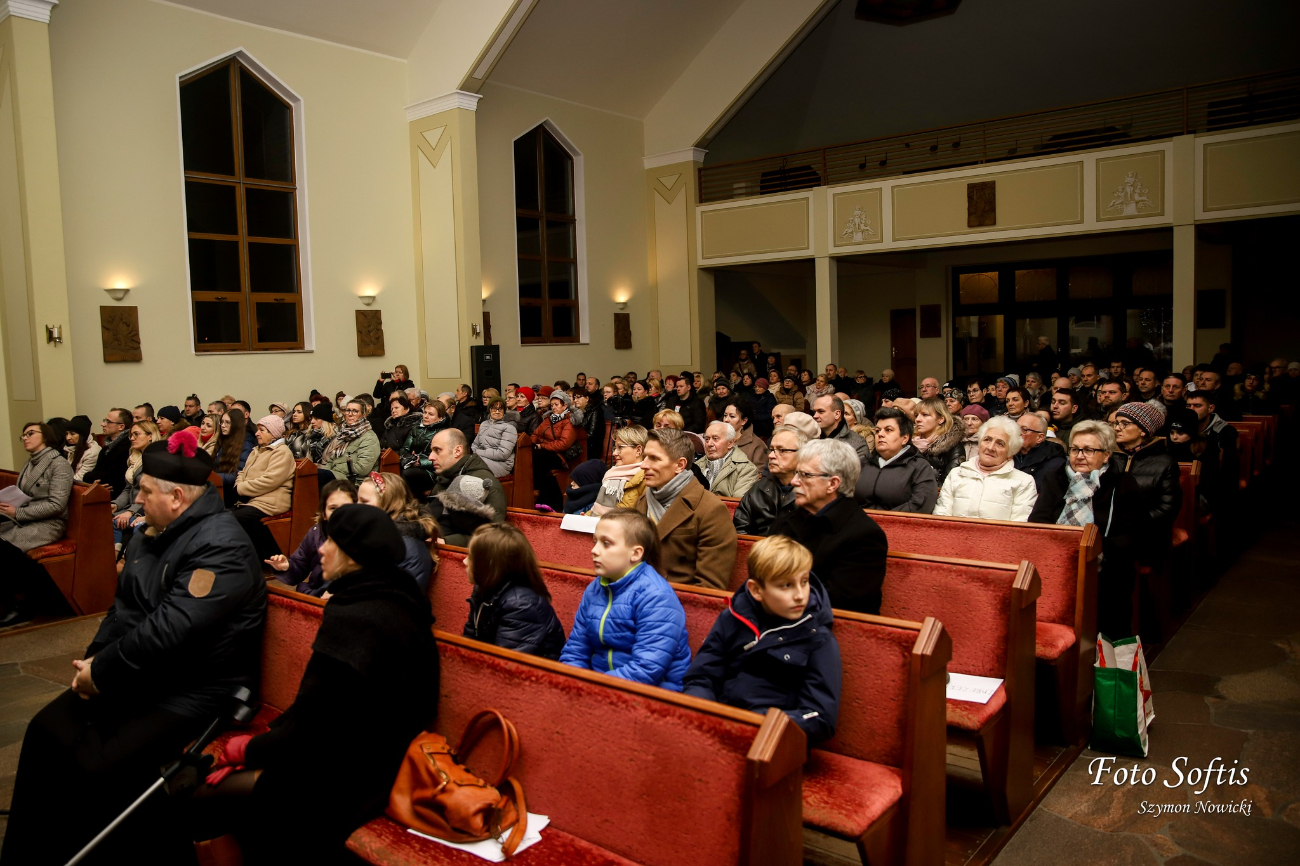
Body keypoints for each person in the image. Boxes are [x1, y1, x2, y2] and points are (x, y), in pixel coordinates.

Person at [5, 434, 265, 865]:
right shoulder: (153, 531)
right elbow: (121, 609)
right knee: (45, 730)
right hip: (143, 671)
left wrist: (104, 674)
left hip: (196, 688)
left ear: (177, 496)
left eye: (145, 491)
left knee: (98, 764)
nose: (137, 499)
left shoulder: (223, 546)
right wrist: (92, 661)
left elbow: (172, 631)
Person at [192, 504, 435, 863]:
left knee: (203, 797)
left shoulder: (357, 616)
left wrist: (250, 749)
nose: (321, 548)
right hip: (374, 758)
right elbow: (322, 707)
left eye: (332, 541)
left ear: (355, 555)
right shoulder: (399, 597)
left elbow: (314, 720)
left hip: (347, 777)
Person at [683, 535, 840, 744]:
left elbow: (820, 717)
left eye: (804, 582)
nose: (800, 595)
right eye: (786, 586)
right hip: (715, 728)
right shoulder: (732, 618)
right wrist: (703, 717)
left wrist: (753, 725)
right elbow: (701, 677)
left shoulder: (818, 637)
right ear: (756, 590)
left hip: (771, 742)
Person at [1030, 421, 1144, 638]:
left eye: (1089, 450)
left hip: (1107, 568)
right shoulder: (1055, 478)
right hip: (1056, 564)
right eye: (1075, 449)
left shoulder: (1122, 483)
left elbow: (1134, 534)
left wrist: (1092, 554)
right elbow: (1038, 524)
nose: (1080, 455)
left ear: (1106, 455)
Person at [558, 509, 691, 690]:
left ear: (635, 553)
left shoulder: (657, 597)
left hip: (656, 695)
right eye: (595, 542)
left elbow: (645, 670)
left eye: (606, 543)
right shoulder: (595, 589)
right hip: (600, 687)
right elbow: (575, 650)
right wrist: (572, 684)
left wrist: (591, 690)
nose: (594, 550)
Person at [771, 439, 888, 614]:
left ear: (832, 484)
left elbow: (837, 603)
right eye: (796, 473)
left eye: (805, 475)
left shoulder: (865, 536)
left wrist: (769, 595)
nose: (794, 481)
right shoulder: (787, 520)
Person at [634, 428, 738, 590]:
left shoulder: (711, 510)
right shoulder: (643, 500)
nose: (643, 465)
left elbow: (709, 588)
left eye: (654, 458)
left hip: (676, 604)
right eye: (645, 457)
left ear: (680, 465)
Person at [0, 422, 76, 625]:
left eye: (30, 433)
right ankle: (9, 601)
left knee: (6, 547)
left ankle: (21, 606)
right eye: (23, 435)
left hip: (49, 524)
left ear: (46, 436)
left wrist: (19, 511)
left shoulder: (58, 464)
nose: (25, 438)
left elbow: (57, 505)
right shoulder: (30, 462)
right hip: (27, 518)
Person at [462, 523, 566, 660]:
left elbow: (506, 666)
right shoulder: (483, 588)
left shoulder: (521, 605)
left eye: (470, 557)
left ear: (490, 565)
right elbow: (468, 643)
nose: (464, 562)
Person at [1114, 402, 1182, 567]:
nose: (1117, 428)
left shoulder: (1164, 462)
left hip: (1147, 534)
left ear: (1143, 430)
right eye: (1116, 423)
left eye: (1125, 423)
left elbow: (1167, 508)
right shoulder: (1109, 457)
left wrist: (1133, 522)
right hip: (1111, 530)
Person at [934, 417, 1039, 520]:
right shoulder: (957, 474)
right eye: (987, 440)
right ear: (979, 445)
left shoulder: (1024, 482)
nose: (990, 448)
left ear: (1010, 452)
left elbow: (1020, 524)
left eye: (1000, 444)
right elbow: (942, 515)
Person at [266, 479, 357, 596]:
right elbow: (299, 566)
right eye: (333, 508)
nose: (339, 513)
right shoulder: (315, 533)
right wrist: (286, 566)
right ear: (324, 513)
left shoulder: (363, 534)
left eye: (346, 507)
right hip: (318, 591)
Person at [225, 417, 296, 561]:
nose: (257, 433)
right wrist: (239, 485)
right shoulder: (257, 450)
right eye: (258, 429)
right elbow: (242, 473)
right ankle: (235, 558)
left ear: (274, 434)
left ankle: (251, 559)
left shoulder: (282, 452)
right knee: (221, 516)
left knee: (231, 518)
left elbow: (269, 481)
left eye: (262, 430)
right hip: (253, 500)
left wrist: (240, 489)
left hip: (270, 503)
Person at [356, 472, 437, 591]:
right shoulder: (369, 534)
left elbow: (400, 600)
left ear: (388, 503)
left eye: (364, 501)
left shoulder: (407, 546)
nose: (356, 506)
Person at [427, 429, 506, 545]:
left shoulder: (484, 482)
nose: (430, 457)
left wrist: (445, 542)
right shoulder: (446, 477)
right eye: (431, 451)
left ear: (457, 451)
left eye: (437, 450)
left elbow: (492, 535)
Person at [854, 407, 938, 513]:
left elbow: (921, 504)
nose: (880, 434)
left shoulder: (919, 467)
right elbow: (845, 497)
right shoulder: (863, 464)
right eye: (877, 430)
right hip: (860, 525)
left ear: (905, 438)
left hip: (898, 526)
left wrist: (884, 519)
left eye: (888, 430)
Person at [734, 423, 807, 536]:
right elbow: (740, 530)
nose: (771, 456)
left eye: (781, 450)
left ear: (802, 454)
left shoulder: (812, 491)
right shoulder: (758, 489)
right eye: (771, 449)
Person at [112, 420, 163, 547]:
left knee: (115, 522)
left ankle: (119, 558)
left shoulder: (157, 459)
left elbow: (152, 492)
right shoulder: (135, 458)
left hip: (145, 509)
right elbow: (128, 488)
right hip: (131, 506)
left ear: (150, 436)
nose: (131, 438)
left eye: (136, 434)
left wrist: (131, 512)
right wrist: (116, 504)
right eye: (131, 435)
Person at [531, 392, 577, 511]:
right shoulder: (548, 419)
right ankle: (547, 500)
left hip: (559, 455)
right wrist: (530, 444)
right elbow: (536, 434)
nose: (554, 407)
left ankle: (542, 496)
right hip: (544, 451)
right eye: (552, 405)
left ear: (565, 406)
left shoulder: (569, 421)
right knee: (529, 456)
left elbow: (563, 444)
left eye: (556, 404)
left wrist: (541, 446)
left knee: (538, 459)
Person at [317, 398, 381, 485]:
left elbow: (362, 468)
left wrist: (335, 469)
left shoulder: (369, 437)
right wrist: (328, 471)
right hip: (338, 475)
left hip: (354, 481)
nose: (350, 414)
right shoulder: (344, 434)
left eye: (355, 411)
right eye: (348, 410)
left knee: (319, 476)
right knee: (313, 475)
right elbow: (332, 459)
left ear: (364, 415)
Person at [590, 425, 649, 516]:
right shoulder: (612, 473)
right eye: (615, 448)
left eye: (620, 447)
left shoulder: (647, 477)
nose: (614, 453)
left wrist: (596, 519)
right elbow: (597, 507)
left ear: (638, 450)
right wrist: (587, 516)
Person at [697, 420, 761, 498]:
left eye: (715, 438)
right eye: (707, 439)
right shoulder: (696, 466)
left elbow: (736, 504)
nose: (709, 444)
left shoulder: (747, 470)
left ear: (730, 443)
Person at [912, 397, 965, 486]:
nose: (918, 419)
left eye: (925, 415)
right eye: (916, 415)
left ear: (941, 419)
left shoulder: (953, 446)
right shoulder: (908, 444)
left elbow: (951, 482)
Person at [84, 407, 132, 497]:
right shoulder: (106, 448)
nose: (102, 424)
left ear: (121, 426)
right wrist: (93, 481)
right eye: (104, 420)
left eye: (108, 422)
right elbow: (94, 474)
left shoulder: (128, 446)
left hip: (119, 497)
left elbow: (114, 477)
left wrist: (91, 477)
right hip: (103, 493)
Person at [812, 394, 872, 466]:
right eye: (814, 412)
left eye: (821, 411)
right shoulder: (809, 437)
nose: (815, 416)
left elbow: (857, 474)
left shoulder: (856, 444)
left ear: (837, 414)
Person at [1013, 412, 1066, 492]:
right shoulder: (1007, 455)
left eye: (1024, 430)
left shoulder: (1055, 465)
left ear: (1039, 438)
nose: (1017, 433)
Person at [471, 396, 519, 479]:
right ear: (489, 409)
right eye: (494, 408)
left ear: (504, 411)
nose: (497, 412)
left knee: (471, 467)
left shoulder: (509, 428)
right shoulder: (484, 424)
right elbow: (474, 445)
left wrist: (479, 453)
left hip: (501, 464)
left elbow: (502, 454)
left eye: (500, 409)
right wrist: (477, 453)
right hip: (482, 459)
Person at [719, 396, 767, 467]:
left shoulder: (757, 445)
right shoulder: (718, 439)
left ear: (744, 421)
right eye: (725, 415)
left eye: (732, 416)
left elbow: (758, 474)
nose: (726, 420)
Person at [65, 414, 101, 481]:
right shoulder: (71, 448)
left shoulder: (92, 453)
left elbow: (80, 479)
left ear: (82, 435)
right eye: (67, 434)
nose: (68, 438)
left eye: (72, 434)